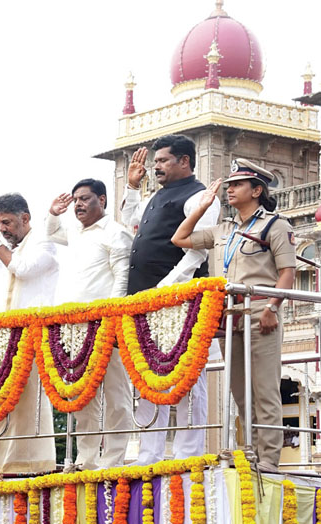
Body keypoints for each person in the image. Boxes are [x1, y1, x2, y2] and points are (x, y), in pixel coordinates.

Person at [171, 160, 295, 471]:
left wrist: (271, 308)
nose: (229, 189)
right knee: (240, 392)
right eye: (229, 185)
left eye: (237, 185)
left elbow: (288, 273)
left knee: (264, 390)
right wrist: (202, 207)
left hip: (259, 314)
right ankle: (247, 453)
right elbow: (180, 238)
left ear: (257, 190)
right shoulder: (224, 228)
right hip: (230, 317)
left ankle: (268, 460)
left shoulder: (274, 226)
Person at [123, 134, 219, 465]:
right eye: (156, 161)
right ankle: (148, 454)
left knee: (189, 376)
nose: (156, 167)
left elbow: (195, 254)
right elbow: (131, 229)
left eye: (163, 160)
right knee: (150, 376)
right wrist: (132, 189)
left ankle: (189, 453)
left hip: (181, 300)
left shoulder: (200, 196)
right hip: (148, 302)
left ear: (184, 161)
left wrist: (164, 290)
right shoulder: (158, 196)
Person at [0, 193, 58, 474]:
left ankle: (30, 466)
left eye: (6, 222)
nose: (2, 228)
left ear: (25, 218)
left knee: (26, 404)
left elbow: (24, 270)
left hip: (27, 339)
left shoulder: (45, 242)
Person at [47, 179, 133, 469]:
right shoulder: (74, 232)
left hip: (106, 324)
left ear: (103, 200)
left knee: (116, 395)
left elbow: (122, 277)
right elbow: (51, 232)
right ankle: (87, 460)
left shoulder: (116, 233)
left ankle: (114, 459)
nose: (79, 205)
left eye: (84, 198)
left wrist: (112, 318)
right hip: (73, 329)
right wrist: (54, 212)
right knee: (83, 397)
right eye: (75, 200)